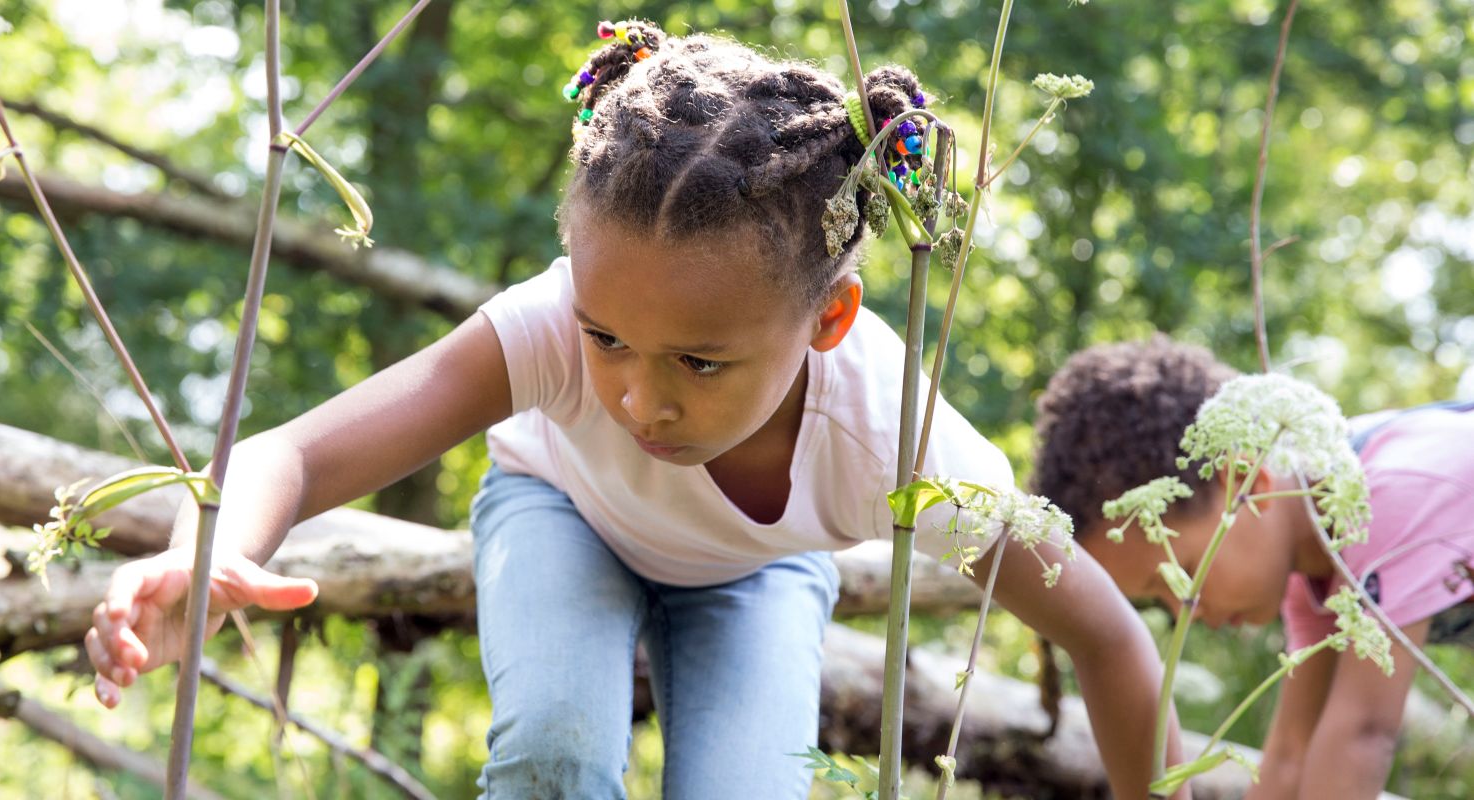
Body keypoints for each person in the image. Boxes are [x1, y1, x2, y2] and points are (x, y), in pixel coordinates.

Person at [83, 20, 1181, 799]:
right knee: (555, 750)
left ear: (829, 318)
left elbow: (1108, 640)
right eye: (609, 339)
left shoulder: (895, 439)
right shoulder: (551, 324)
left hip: (759, 574)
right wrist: (202, 549)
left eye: (701, 363)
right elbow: (295, 453)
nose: (638, 397)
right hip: (560, 512)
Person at [1032, 335, 1474, 799]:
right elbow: (1290, 756)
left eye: (1182, 569)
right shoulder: (1314, 576)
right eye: (1158, 599)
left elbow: (1361, 734)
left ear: (1244, 482)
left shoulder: (1386, 496)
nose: (1187, 611)